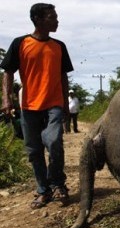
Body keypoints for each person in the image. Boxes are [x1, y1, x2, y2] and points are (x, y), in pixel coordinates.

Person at [0, 3, 73, 209]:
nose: (57, 20)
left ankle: (58, 184)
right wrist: (6, 100)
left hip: (54, 104)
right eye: (52, 17)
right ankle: (44, 191)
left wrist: (65, 104)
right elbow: (8, 72)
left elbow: (63, 75)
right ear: (38, 20)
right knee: (34, 151)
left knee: (54, 142)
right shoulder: (20, 43)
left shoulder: (59, 46)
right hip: (29, 105)